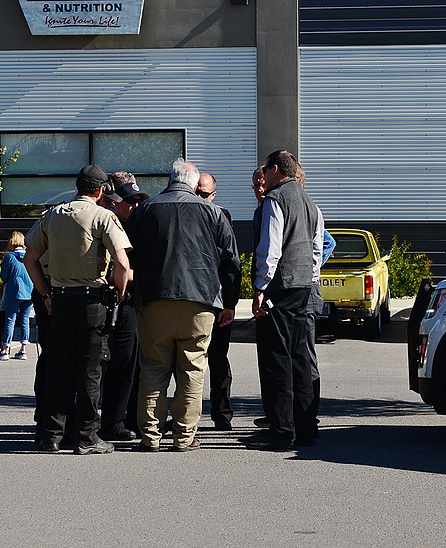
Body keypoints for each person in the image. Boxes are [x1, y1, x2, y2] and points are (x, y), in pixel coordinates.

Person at [126, 159, 240, 452]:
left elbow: (127, 255)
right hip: (199, 301)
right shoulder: (214, 213)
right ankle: (184, 436)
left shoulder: (146, 210)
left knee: (153, 368)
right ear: (192, 183)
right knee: (192, 368)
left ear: (169, 179)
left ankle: (150, 436)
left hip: (154, 299)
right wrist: (229, 303)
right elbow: (231, 263)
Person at [23, 165, 132, 455]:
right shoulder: (103, 216)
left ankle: (51, 436)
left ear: (77, 187)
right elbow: (122, 263)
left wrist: (45, 292)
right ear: (99, 191)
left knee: (57, 369)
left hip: (59, 301)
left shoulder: (53, 215)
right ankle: (87, 437)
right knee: (89, 371)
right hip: (91, 301)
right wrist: (119, 292)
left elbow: (29, 258)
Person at [249, 150, 325, 451]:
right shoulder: (310, 202)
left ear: (277, 170)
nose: (263, 176)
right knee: (301, 359)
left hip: (281, 287)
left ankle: (282, 431)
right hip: (304, 286)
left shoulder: (275, 199)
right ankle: (305, 428)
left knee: (277, 359)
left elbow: (271, 247)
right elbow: (317, 248)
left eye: (266, 170)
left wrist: (260, 286)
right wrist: (311, 277)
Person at [98, 174, 150, 442]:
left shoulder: (140, 225)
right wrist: (128, 276)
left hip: (132, 301)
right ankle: (113, 421)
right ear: (116, 202)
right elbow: (111, 269)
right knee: (118, 364)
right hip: (113, 301)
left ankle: (131, 418)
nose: (136, 205)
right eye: (131, 201)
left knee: (133, 364)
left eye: (139, 199)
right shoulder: (108, 223)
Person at [197, 171, 236, 430]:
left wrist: (230, 304)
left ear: (213, 195)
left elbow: (231, 263)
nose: (200, 198)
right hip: (192, 299)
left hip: (217, 299)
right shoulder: (183, 213)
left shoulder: (221, 217)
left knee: (218, 358)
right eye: (196, 192)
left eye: (204, 194)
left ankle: (222, 413)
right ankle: (182, 415)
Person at [0, 231, 34, 360]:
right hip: (29, 292)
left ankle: (5, 350)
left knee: (10, 320)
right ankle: (23, 350)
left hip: (14, 292)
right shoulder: (29, 255)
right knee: (25, 320)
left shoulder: (10, 257)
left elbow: (3, 276)